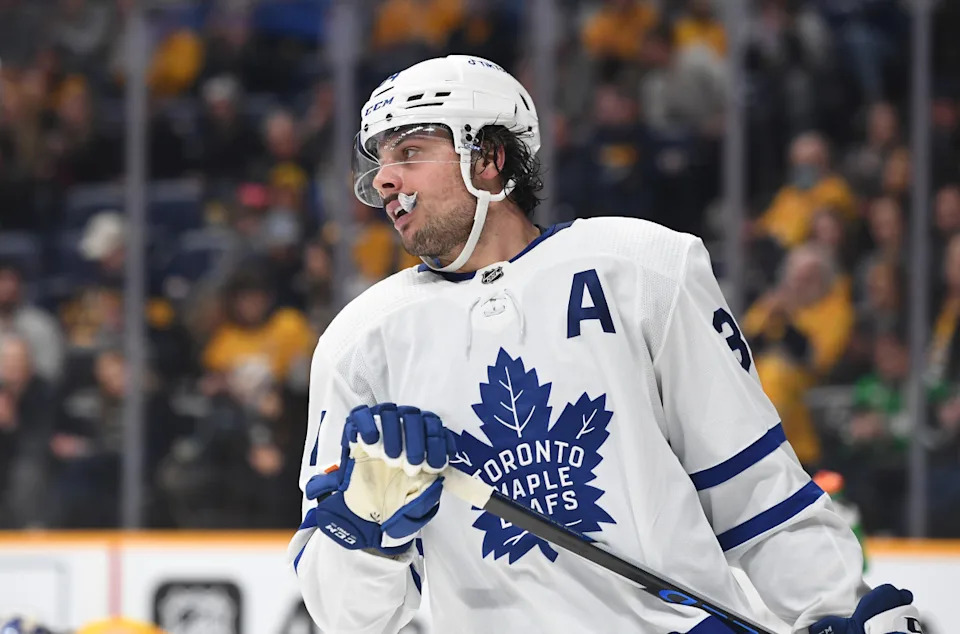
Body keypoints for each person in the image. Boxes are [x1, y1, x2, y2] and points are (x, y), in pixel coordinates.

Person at [288, 55, 920, 634]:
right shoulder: (360, 342)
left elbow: (752, 486)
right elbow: (348, 619)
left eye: (411, 150)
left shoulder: (643, 269)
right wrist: (362, 523)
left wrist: (837, 609)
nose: (387, 179)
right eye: (379, 162)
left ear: (489, 158)